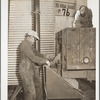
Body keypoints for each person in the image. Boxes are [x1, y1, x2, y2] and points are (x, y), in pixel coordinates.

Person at [19, 30, 50, 100]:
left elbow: (35, 53)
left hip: (31, 69)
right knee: (31, 92)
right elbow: (32, 57)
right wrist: (44, 61)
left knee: (38, 87)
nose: (35, 41)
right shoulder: (24, 45)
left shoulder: (29, 45)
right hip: (25, 72)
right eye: (35, 39)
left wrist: (44, 56)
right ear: (30, 37)